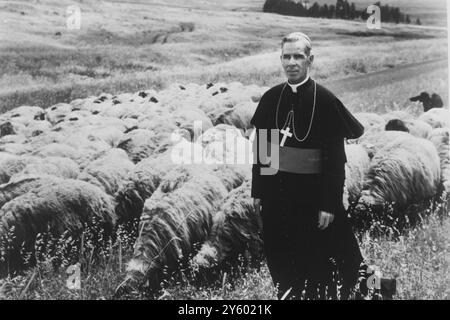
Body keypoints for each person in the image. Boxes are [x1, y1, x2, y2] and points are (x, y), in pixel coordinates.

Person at [251, 32, 365, 300]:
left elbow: (336, 161)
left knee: (338, 258)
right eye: (286, 56)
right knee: (281, 255)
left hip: (314, 197)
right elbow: (263, 151)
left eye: (298, 56)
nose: (292, 62)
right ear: (280, 59)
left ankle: (370, 291)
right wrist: (258, 189)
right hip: (278, 195)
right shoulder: (270, 99)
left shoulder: (325, 101)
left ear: (310, 60)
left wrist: (329, 204)